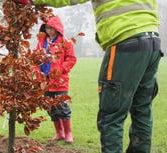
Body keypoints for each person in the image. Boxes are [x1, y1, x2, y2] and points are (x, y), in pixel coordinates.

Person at [17, 0, 163, 152]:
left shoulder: (63, 42)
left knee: (111, 115)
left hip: (126, 41)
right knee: (142, 110)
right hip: (152, 40)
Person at [35, 15, 76, 143]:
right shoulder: (42, 42)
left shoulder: (65, 42)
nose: (49, 31)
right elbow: (36, 58)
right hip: (45, 80)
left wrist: (61, 69)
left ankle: (68, 133)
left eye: (51, 28)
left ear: (57, 28)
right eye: (47, 28)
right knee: (50, 107)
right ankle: (59, 133)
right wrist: (38, 72)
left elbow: (71, 59)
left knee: (62, 106)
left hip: (60, 81)